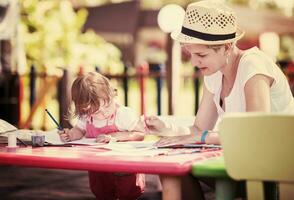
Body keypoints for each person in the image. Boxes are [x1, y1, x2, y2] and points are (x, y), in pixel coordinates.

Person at [145, 0, 294, 199]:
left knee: (178, 168)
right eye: (190, 54)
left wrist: (203, 137)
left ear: (226, 47)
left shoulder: (253, 65)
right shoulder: (214, 73)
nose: (194, 62)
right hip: (248, 164)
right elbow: (199, 129)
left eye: (200, 54)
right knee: (171, 167)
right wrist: (167, 129)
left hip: (279, 172)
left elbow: (256, 133)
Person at [59, 71, 146, 200]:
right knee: (102, 193)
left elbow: (141, 134)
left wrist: (116, 137)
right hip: (98, 167)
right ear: (85, 109)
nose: (104, 113)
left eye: (108, 105)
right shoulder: (87, 117)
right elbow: (79, 130)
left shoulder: (122, 115)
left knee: (128, 194)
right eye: (97, 111)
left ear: (112, 95)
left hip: (124, 167)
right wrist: (71, 135)